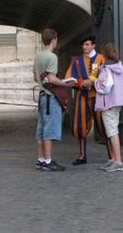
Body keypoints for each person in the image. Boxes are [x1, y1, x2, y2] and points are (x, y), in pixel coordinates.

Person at [65, 35, 110, 165]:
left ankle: (112, 156)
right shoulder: (77, 60)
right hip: (82, 96)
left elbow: (107, 77)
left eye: (87, 44)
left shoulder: (101, 59)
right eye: (83, 45)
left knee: (103, 125)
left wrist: (93, 82)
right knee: (80, 126)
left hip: (98, 96)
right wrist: (80, 83)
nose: (84, 47)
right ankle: (82, 156)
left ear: (93, 45)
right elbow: (70, 78)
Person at [33, 29, 73, 172]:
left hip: (42, 97)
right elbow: (51, 78)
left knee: (41, 130)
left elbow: (34, 77)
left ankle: (41, 160)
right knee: (49, 131)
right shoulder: (52, 57)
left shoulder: (38, 56)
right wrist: (66, 84)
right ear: (54, 40)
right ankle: (48, 161)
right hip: (51, 97)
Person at [94, 43, 123, 172]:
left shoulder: (106, 68)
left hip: (108, 103)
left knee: (112, 132)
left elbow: (104, 86)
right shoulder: (119, 66)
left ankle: (118, 162)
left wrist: (94, 82)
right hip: (117, 102)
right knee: (113, 130)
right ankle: (113, 160)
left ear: (104, 54)